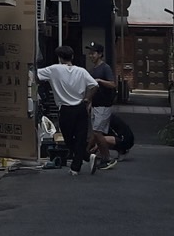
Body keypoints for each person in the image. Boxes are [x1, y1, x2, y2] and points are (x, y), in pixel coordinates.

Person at [35, 46, 98, 175]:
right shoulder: (82, 71)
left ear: (59, 58)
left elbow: (35, 74)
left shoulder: (54, 70)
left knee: (68, 139)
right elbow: (94, 85)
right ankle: (83, 160)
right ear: (72, 57)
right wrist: (87, 99)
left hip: (65, 108)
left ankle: (79, 164)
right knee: (81, 137)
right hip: (80, 107)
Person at [86, 43, 117, 172]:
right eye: (90, 54)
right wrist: (90, 102)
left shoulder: (105, 68)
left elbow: (113, 84)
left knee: (98, 132)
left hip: (104, 106)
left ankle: (107, 158)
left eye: (93, 53)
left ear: (100, 54)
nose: (91, 56)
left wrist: (100, 81)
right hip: (96, 105)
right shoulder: (93, 69)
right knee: (96, 132)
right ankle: (91, 153)